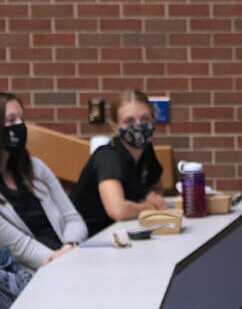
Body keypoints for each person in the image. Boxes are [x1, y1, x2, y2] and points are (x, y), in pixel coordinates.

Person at [0, 92, 87, 270]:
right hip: (34, 275)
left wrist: (70, 246)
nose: (20, 126)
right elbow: (22, 248)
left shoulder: (35, 167)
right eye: (11, 120)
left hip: (69, 258)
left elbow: (73, 219)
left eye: (22, 119)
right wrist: (62, 261)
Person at [71, 89, 167, 236]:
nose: (138, 126)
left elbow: (155, 186)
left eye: (145, 119)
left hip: (126, 230)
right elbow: (118, 210)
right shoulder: (108, 157)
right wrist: (151, 207)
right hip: (90, 238)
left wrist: (151, 197)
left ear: (153, 119)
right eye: (129, 121)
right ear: (115, 127)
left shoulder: (146, 150)